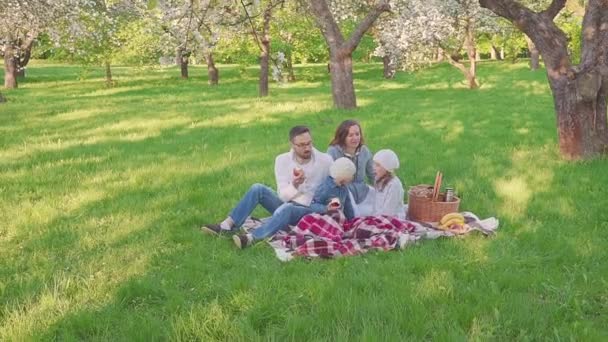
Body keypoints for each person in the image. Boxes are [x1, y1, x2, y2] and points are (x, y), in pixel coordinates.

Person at [201, 125, 333, 248]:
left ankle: (251, 238)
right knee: (257, 188)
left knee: (287, 209)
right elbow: (282, 195)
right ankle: (227, 225)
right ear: (292, 145)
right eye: (302, 145)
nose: (307, 148)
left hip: (310, 209)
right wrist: (294, 185)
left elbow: (333, 188)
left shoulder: (325, 161)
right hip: (287, 201)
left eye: (309, 143)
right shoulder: (282, 160)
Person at [327, 120, 375, 216]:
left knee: (382, 210)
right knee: (359, 217)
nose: (355, 138)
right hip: (345, 197)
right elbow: (329, 179)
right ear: (343, 137)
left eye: (357, 134)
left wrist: (385, 187)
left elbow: (373, 174)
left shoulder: (364, 151)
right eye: (350, 135)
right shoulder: (333, 152)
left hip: (363, 193)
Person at [371, 149, 406, 219]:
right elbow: (376, 204)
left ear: (387, 168)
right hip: (379, 216)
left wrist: (377, 219)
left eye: (378, 165)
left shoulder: (394, 185)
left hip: (392, 218)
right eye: (374, 164)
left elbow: (389, 211)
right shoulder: (378, 180)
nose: (373, 167)